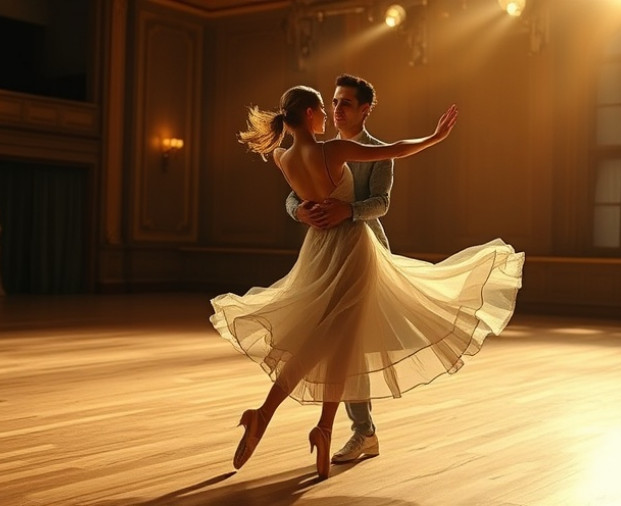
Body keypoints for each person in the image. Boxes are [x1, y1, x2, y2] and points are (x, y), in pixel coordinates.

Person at [211, 85, 523, 480]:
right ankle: (308, 424)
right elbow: (395, 149)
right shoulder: (332, 151)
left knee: (330, 342)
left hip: (317, 252)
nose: (330, 112)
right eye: (325, 107)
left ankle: (287, 419)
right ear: (309, 115)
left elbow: (349, 192)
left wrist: (321, 207)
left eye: (341, 104)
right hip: (352, 252)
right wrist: (434, 138)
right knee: (337, 343)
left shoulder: (281, 157)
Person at [285, 74, 388, 465]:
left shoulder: (379, 152)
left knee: (349, 343)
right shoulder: (321, 148)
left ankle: (361, 431)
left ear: (365, 110)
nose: (337, 108)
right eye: (334, 101)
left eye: (346, 103)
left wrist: (350, 210)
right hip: (326, 255)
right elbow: (294, 195)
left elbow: (381, 203)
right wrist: (300, 211)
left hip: (364, 253)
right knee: (336, 341)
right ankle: (360, 431)